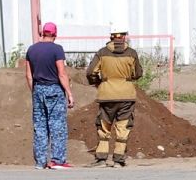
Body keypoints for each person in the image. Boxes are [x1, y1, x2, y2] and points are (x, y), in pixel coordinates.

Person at [85, 27, 142, 167]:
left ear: (111, 36)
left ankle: (102, 159)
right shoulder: (132, 53)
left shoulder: (102, 53)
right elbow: (138, 73)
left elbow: (91, 72)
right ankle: (118, 159)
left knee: (104, 125)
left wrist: (98, 83)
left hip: (106, 95)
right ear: (124, 37)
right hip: (126, 95)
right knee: (123, 126)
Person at [21, 21, 74, 170]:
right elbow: (62, 73)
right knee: (57, 125)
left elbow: (28, 75)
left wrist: (35, 91)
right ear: (55, 35)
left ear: (42, 33)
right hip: (54, 89)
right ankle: (57, 160)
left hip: (38, 89)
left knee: (40, 126)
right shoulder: (57, 50)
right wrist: (69, 93)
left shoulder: (31, 50)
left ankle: (40, 161)